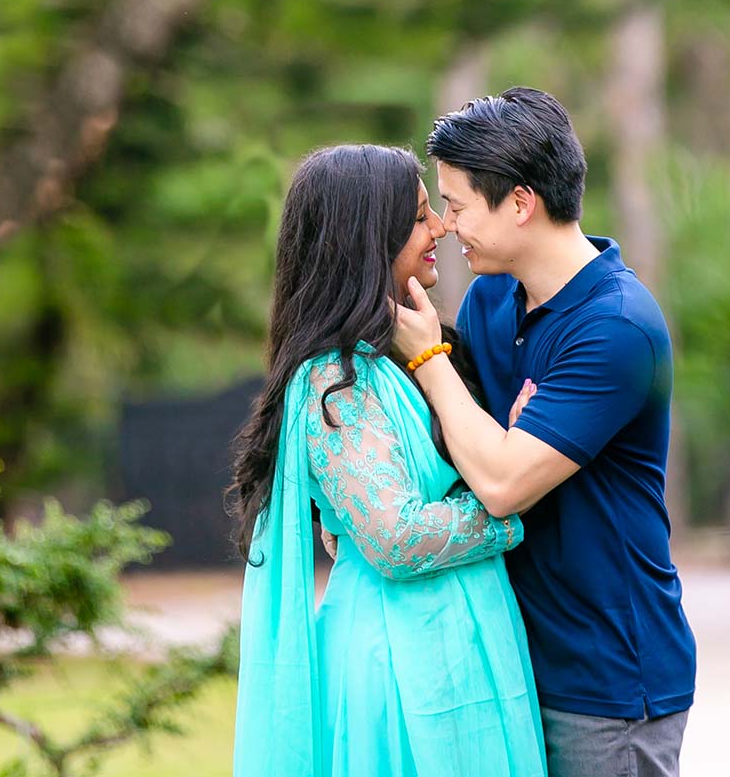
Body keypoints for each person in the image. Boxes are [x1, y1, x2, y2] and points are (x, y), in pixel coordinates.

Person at [393, 88, 696, 777]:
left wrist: (429, 360)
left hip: (608, 683)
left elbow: (500, 483)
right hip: (514, 654)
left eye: (459, 205)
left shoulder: (615, 326)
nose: (445, 225)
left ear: (521, 203)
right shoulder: (490, 297)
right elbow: (464, 449)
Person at [231, 143, 547, 777]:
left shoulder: (404, 353)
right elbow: (396, 540)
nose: (440, 229)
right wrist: (506, 501)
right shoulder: (331, 380)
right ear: (367, 236)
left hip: (470, 641)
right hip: (400, 659)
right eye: (420, 216)